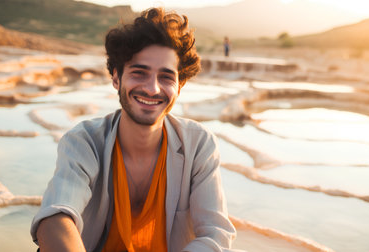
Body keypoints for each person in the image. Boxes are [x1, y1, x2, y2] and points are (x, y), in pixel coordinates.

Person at [31, 7, 236, 252]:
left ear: (180, 85)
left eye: (166, 77)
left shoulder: (199, 145)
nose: (152, 89)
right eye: (139, 73)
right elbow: (56, 217)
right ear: (116, 78)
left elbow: (216, 234)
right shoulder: (84, 141)